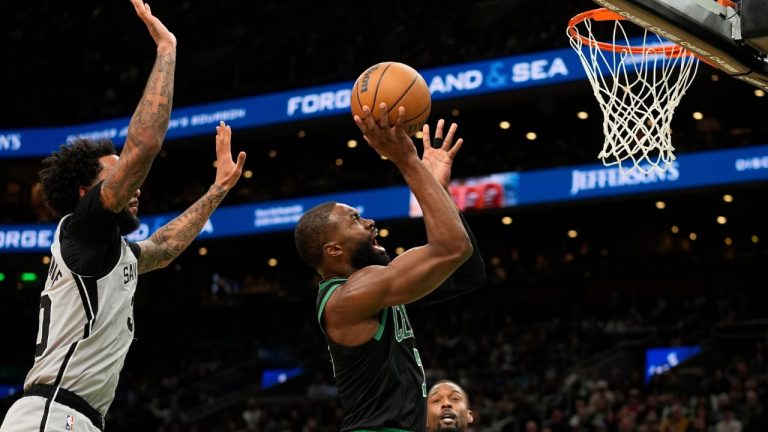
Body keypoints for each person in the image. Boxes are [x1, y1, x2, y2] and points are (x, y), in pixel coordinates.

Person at [0, 2, 246, 431]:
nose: (136, 188)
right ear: (86, 192)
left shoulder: (110, 251)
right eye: (119, 176)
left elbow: (166, 247)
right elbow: (145, 143)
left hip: (73, 417)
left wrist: (219, 187)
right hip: (52, 414)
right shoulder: (85, 229)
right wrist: (167, 49)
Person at [294, 104, 486, 431]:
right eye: (355, 219)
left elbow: (467, 274)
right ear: (334, 249)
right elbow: (453, 248)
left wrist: (435, 187)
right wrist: (407, 160)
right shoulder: (351, 297)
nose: (369, 222)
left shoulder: (380, 289)